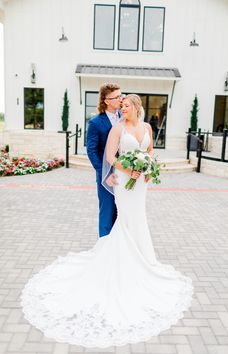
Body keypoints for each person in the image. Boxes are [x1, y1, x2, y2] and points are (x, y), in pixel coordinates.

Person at [21, 94, 193, 348]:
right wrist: (128, 171)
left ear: (136, 107)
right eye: (120, 105)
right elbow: (110, 157)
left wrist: (148, 169)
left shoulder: (146, 127)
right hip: (124, 182)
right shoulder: (117, 128)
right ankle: (124, 262)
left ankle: (145, 260)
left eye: (125, 105)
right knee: (125, 218)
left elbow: (149, 151)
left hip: (141, 183)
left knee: (139, 218)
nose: (122, 109)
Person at [86, 83, 122, 237]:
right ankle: (104, 247)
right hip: (106, 176)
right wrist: (105, 174)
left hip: (124, 172)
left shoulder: (124, 117)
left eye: (121, 95)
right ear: (107, 100)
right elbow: (91, 151)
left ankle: (118, 246)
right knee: (107, 212)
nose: (120, 100)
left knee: (121, 212)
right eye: (117, 97)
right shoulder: (95, 123)